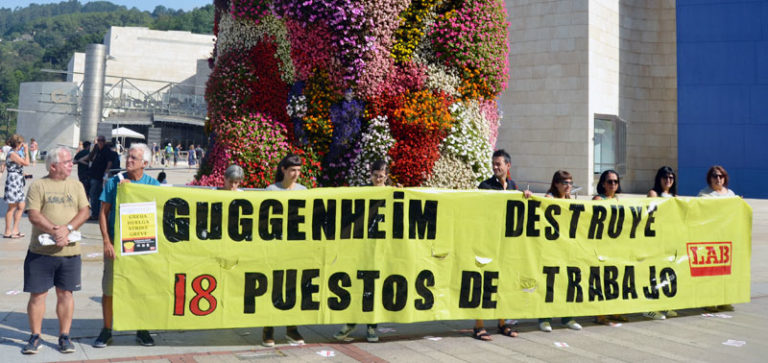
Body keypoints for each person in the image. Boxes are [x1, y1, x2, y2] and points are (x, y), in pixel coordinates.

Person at [21, 147, 90, 354]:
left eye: (71, 161)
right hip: (41, 252)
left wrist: (67, 229)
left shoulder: (76, 185)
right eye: (67, 161)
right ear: (53, 166)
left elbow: (85, 211)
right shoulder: (38, 185)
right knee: (37, 295)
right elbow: (33, 214)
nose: (71, 164)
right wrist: (55, 231)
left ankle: (64, 336)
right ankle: (35, 336)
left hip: (69, 253)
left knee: (66, 294)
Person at [93, 143, 160, 348]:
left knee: (142, 289)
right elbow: (103, 213)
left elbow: (159, 214)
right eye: (128, 157)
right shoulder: (115, 182)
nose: (128, 160)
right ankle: (106, 329)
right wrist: (107, 241)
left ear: (145, 163)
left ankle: (142, 329)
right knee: (109, 289)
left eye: (133, 158)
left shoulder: (152, 185)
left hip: (142, 247)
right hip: (116, 246)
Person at [472, 149, 526, 341]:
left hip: (506, 242)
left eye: (498, 164)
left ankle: (502, 323)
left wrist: (525, 196)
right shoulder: (485, 185)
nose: (495, 167)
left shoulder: (513, 186)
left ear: (508, 166)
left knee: (504, 282)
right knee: (484, 281)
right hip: (488, 241)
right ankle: (479, 326)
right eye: (493, 164)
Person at [333, 160, 388, 343]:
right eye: (375, 176)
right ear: (370, 175)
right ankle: (351, 322)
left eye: (381, 176)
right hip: (362, 246)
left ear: (386, 177)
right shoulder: (363, 191)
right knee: (357, 285)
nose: (378, 179)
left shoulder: (391, 193)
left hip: (380, 247)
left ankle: (372, 326)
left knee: (374, 287)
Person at [262, 154, 306, 347]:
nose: (295, 174)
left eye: (298, 171)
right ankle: (268, 329)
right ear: (283, 170)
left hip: (295, 247)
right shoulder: (271, 190)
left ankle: (291, 328)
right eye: (292, 170)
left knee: (293, 287)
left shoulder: (303, 191)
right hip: (276, 246)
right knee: (273, 286)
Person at [538, 170, 583, 332]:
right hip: (551, 247)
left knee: (569, 282)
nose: (568, 186)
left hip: (567, 248)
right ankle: (544, 318)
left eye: (570, 183)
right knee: (550, 283)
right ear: (556, 183)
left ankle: (568, 317)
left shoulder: (570, 200)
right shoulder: (549, 199)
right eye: (565, 183)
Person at [642, 166, 679, 320]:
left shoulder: (674, 196)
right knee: (653, 272)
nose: (668, 180)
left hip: (668, 239)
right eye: (665, 177)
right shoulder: (653, 193)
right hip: (654, 239)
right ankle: (649, 307)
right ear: (659, 178)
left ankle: (664, 304)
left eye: (671, 177)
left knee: (667, 272)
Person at [698, 165, 736, 313]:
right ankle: (709, 300)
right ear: (710, 178)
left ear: (725, 178)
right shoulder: (705, 194)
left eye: (721, 176)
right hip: (711, 238)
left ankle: (724, 300)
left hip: (727, 238)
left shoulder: (731, 194)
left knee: (726, 270)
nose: (718, 178)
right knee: (711, 271)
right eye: (715, 176)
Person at [592, 170, 628, 325]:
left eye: (615, 181)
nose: (613, 184)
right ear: (603, 183)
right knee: (601, 279)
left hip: (616, 245)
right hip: (601, 245)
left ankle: (615, 311)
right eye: (609, 181)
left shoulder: (619, 200)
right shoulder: (598, 199)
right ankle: (599, 314)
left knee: (615, 279)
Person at [4, 134, 30, 238]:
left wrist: (23, 174)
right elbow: (26, 163)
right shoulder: (12, 154)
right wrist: (26, 151)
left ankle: (15, 230)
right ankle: (7, 231)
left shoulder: (15, 153)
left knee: (21, 206)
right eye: (22, 143)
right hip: (13, 182)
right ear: (18, 144)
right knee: (12, 207)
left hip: (18, 180)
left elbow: (16, 167)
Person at [87, 136, 113, 220]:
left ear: (105, 142)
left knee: (96, 195)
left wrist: (106, 171)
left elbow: (109, 162)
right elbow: (90, 158)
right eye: (99, 140)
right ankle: (95, 214)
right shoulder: (96, 149)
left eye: (102, 140)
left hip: (101, 176)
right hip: (93, 175)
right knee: (94, 195)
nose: (100, 142)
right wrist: (94, 149)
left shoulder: (107, 150)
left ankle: (97, 214)